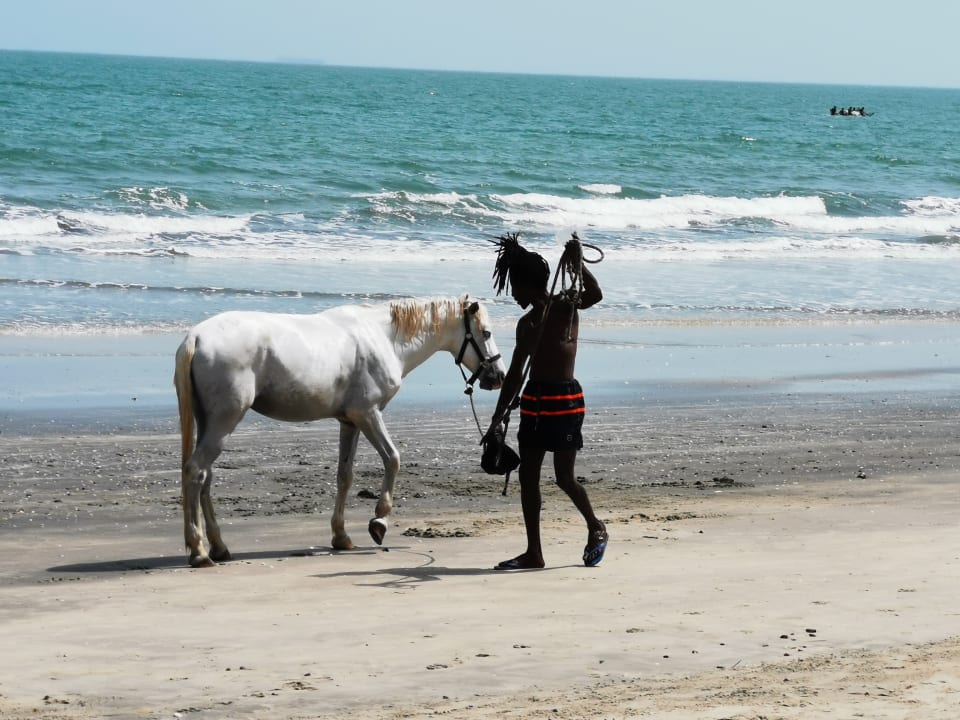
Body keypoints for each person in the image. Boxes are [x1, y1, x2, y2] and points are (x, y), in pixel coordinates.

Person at [486, 232, 608, 570]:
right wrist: (497, 419)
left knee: (564, 478)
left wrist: (577, 262)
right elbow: (514, 374)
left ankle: (596, 526)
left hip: (565, 400)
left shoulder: (566, 307)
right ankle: (534, 553)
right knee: (528, 477)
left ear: (527, 285)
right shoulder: (526, 325)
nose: (512, 295)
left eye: (515, 287)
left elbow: (595, 294)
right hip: (534, 402)